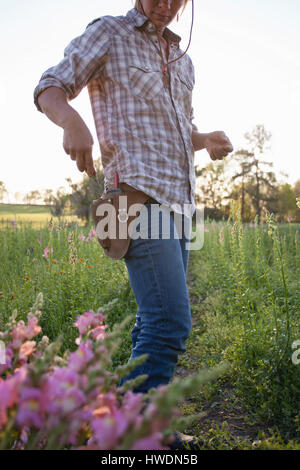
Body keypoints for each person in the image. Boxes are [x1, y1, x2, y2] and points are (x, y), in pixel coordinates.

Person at [34, 0, 233, 449]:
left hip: (182, 205)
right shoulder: (110, 33)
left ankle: (126, 420)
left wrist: (205, 140)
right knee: (170, 323)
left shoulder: (184, 60)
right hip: (137, 201)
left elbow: (179, 128)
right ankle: (137, 438)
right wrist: (72, 122)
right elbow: (50, 85)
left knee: (152, 320)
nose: (166, 5)